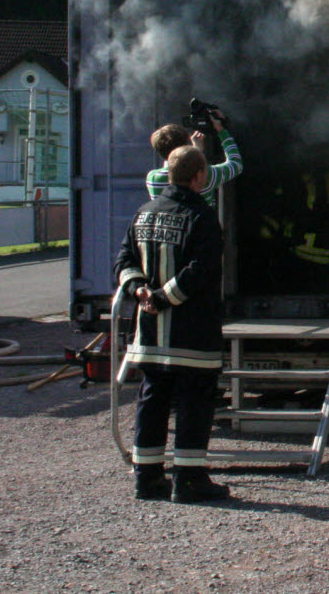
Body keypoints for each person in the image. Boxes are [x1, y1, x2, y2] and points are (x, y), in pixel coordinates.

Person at [114, 144, 231, 503]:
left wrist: (140, 292)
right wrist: (164, 297)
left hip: (150, 334)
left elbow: (124, 261)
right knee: (195, 404)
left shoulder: (145, 212)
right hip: (191, 335)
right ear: (199, 176)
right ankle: (190, 480)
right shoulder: (202, 216)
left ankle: (147, 479)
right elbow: (201, 270)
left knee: (152, 402)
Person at [146, 105, 242, 207]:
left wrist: (194, 152)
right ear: (185, 145)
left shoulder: (153, 178)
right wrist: (221, 130)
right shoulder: (205, 174)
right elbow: (236, 164)